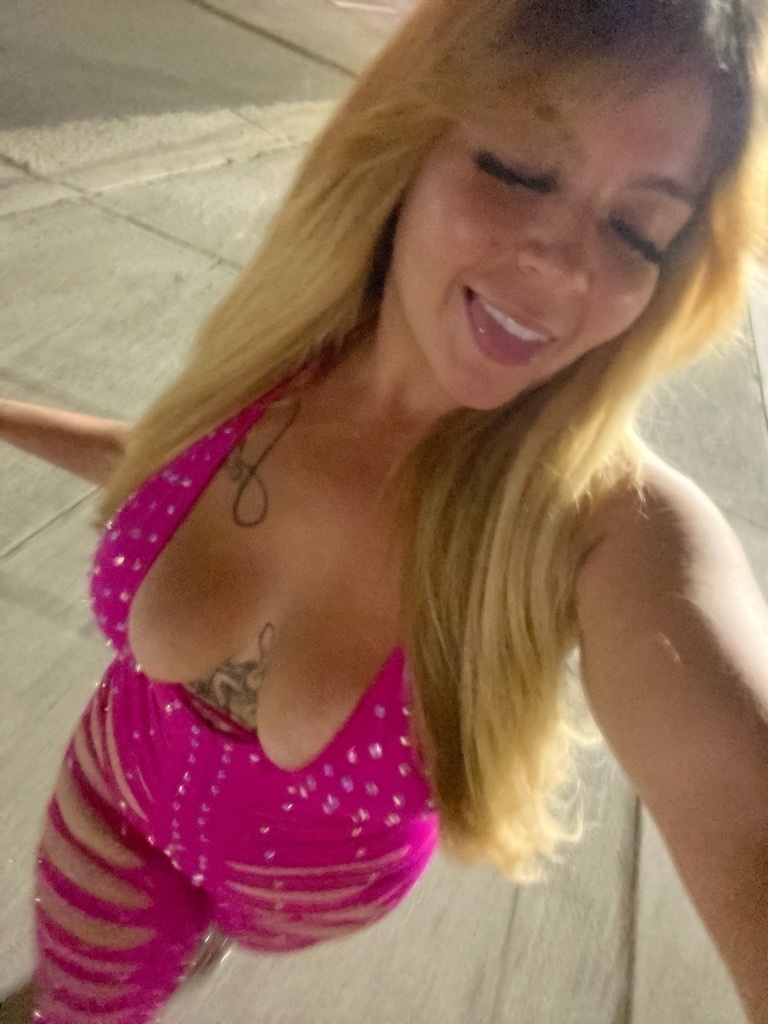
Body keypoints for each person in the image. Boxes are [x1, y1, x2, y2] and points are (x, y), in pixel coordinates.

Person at [1, 0, 768, 1020]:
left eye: (637, 229)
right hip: (115, 806)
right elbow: (156, 463)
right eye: (521, 167)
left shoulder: (603, 531)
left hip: (290, 904)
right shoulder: (286, 353)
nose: (566, 264)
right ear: (415, 137)